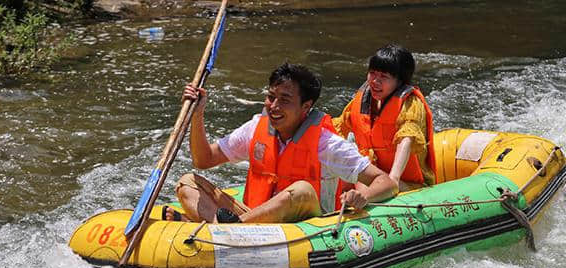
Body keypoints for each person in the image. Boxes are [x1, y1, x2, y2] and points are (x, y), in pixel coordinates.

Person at [164, 63, 397, 224]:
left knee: (302, 190)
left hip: (305, 228)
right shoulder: (256, 127)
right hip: (252, 218)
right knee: (188, 182)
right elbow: (203, 160)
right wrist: (197, 114)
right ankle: (226, 230)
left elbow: (385, 182)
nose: (273, 106)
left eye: (284, 100)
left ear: (306, 107)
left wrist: (363, 197)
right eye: (271, 97)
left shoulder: (327, 143)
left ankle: (222, 230)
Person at [333, 44, 436, 192]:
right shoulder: (363, 100)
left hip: (407, 183)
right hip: (373, 174)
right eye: (373, 73)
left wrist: (393, 178)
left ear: (400, 81)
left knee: (364, 184)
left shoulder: (411, 104)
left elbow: (406, 138)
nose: (375, 81)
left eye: (384, 77)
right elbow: (337, 127)